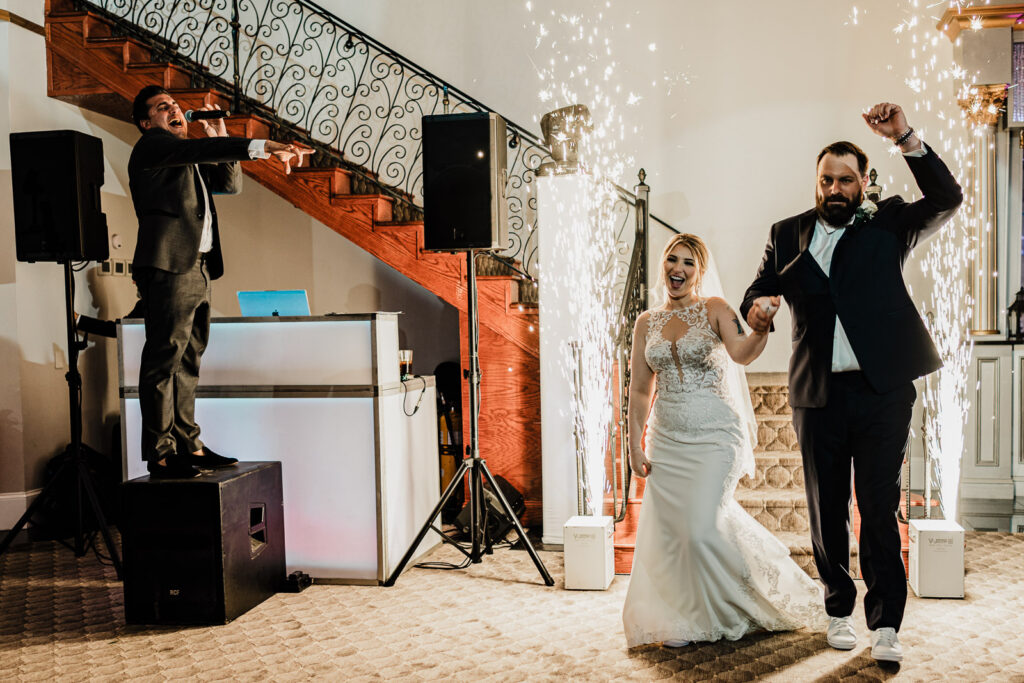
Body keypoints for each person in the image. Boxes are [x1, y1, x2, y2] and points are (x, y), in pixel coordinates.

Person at [741, 102, 963, 662]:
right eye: (825, 180)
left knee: (879, 504)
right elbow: (759, 289)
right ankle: (838, 609)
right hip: (818, 394)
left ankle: (886, 624)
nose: (834, 188)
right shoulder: (786, 232)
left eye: (845, 179)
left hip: (882, 390)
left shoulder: (889, 223)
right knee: (826, 507)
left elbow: (946, 199)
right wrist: (760, 308)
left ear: (864, 183)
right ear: (816, 183)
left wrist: (905, 138)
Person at [622, 233, 826, 649]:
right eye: (672, 260)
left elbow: (743, 352)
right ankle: (683, 617)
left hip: (716, 438)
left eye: (688, 264)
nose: (678, 269)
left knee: (699, 528)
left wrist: (762, 327)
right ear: (664, 265)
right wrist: (634, 444)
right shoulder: (646, 323)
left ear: (699, 272)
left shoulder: (714, 310)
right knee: (671, 534)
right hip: (667, 440)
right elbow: (641, 390)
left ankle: (755, 599)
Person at [128, 85, 310, 479]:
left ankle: (188, 442)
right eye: (163, 108)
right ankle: (160, 452)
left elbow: (229, 184)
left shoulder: (182, 155)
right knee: (164, 359)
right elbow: (195, 153)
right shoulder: (153, 147)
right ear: (147, 122)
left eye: (175, 105)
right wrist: (264, 146)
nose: (174, 110)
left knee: (190, 359)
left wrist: (219, 138)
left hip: (200, 267)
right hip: (170, 267)